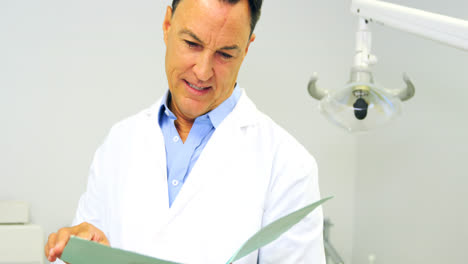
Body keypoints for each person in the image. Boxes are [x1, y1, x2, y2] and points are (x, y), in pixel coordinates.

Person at [45, 0, 325, 263]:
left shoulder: (288, 165)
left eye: (225, 54)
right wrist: (81, 253)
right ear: (167, 25)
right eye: (192, 43)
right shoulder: (119, 143)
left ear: (246, 48)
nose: (202, 72)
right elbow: (82, 250)